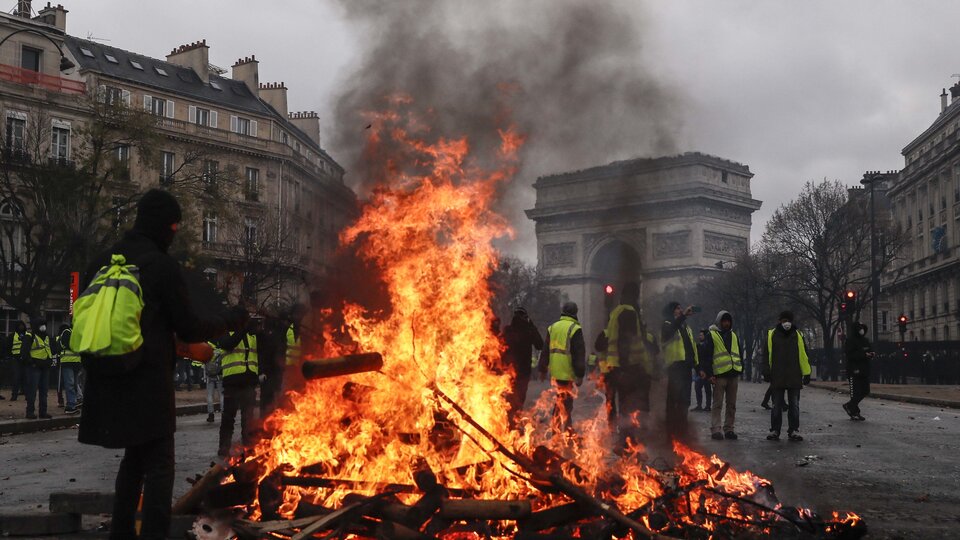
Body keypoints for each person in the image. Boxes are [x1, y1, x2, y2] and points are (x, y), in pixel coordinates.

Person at [78, 189, 245, 540]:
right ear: (167, 225)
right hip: (147, 384)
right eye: (174, 226)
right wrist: (231, 319)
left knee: (132, 461)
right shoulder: (159, 265)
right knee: (158, 467)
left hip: (108, 378)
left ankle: (121, 534)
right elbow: (189, 327)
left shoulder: (104, 260)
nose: (174, 233)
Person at [602, 282, 658, 444]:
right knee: (630, 404)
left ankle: (625, 437)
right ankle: (627, 439)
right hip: (626, 366)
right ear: (634, 296)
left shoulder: (616, 312)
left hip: (615, 365)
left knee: (624, 404)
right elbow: (625, 341)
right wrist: (626, 367)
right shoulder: (629, 312)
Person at [537, 302, 585, 435]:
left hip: (556, 372)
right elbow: (579, 353)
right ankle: (562, 430)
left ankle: (563, 429)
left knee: (562, 401)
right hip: (567, 372)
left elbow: (545, 350)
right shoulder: (575, 328)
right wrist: (580, 374)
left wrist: (542, 369)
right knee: (565, 403)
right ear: (575, 313)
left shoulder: (553, 327)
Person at [762, 311, 811, 441]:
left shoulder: (798, 335)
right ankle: (775, 430)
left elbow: (804, 355)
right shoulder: (771, 335)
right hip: (777, 376)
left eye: (788, 320)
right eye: (784, 320)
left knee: (794, 405)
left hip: (794, 376)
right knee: (776, 405)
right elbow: (766, 354)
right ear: (779, 321)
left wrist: (806, 373)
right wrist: (766, 371)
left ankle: (793, 430)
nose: (786, 323)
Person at [217, 317, 262, 458]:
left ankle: (248, 445)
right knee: (228, 417)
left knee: (248, 418)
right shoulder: (225, 334)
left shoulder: (251, 335)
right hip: (232, 383)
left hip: (248, 383)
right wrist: (243, 330)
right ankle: (224, 447)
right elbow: (228, 344)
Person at [701, 310, 742, 440]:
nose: (726, 323)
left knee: (732, 405)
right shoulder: (711, 335)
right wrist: (709, 374)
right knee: (717, 404)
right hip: (719, 375)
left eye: (728, 321)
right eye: (724, 321)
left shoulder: (734, 336)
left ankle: (729, 429)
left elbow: (739, 353)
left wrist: (741, 369)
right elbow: (707, 356)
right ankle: (716, 429)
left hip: (733, 375)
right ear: (719, 321)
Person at [661, 302, 699, 438]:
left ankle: (682, 429)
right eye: (678, 308)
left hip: (686, 366)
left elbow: (691, 347)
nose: (681, 310)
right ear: (672, 311)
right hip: (674, 367)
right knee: (673, 399)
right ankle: (670, 431)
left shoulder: (686, 327)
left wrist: (698, 366)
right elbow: (669, 332)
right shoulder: (667, 324)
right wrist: (682, 316)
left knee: (685, 400)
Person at [501, 307, 543, 422]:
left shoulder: (508, 330)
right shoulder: (529, 331)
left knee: (510, 398)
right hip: (523, 371)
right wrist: (532, 326)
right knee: (519, 399)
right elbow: (540, 345)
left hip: (509, 371)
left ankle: (508, 423)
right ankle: (513, 423)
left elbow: (499, 347)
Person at [21, 319, 53, 419]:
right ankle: (30, 412)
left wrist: (49, 361)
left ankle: (43, 412)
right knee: (32, 391)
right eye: (41, 325)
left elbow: (50, 349)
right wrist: (32, 363)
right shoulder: (30, 336)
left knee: (44, 391)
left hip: (45, 367)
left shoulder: (46, 336)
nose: (43, 327)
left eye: (44, 325)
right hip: (34, 367)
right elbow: (24, 352)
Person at [843, 322, 874, 421]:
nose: (862, 330)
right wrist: (864, 355)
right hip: (854, 370)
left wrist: (871, 354)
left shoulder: (865, 340)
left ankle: (850, 406)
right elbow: (850, 355)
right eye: (860, 328)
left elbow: (868, 349)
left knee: (865, 391)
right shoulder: (850, 341)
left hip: (864, 369)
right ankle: (854, 411)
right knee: (855, 393)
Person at [57, 324, 83, 414]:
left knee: (74, 384)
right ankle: (71, 406)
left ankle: (73, 404)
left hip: (75, 362)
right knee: (70, 384)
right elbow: (71, 345)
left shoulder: (76, 333)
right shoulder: (67, 332)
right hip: (68, 361)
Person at [7, 321, 29, 400]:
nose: (21, 327)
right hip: (15, 359)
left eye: (22, 325)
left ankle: (27, 395)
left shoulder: (28, 335)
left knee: (26, 378)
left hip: (25, 359)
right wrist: (10, 356)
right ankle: (14, 395)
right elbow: (8, 347)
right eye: (19, 326)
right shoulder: (12, 336)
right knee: (16, 377)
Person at [692, 329, 712, 412]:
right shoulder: (697, 346)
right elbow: (696, 359)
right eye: (699, 335)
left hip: (707, 371)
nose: (700, 336)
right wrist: (698, 369)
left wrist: (707, 371)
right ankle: (699, 405)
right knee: (697, 388)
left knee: (707, 389)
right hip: (699, 371)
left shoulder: (708, 346)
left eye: (701, 335)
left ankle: (708, 406)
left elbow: (709, 359)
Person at [205, 341, 224, 423]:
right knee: (222, 395)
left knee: (209, 395)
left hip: (210, 376)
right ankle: (223, 413)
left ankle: (211, 415)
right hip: (219, 376)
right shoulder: (221, 351)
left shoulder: (207, 351)